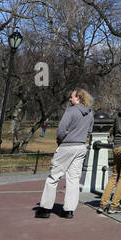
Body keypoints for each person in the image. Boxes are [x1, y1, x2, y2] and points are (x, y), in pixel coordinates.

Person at [36, 89, 94, 218]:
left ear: (78, 98)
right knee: (73, 179)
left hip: (67, 146)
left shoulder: (71, 111)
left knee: (53, 177)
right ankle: (69, 210)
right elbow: (89, 131)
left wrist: (61, 141)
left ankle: (45, 209)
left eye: (71, 97)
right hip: (80, 147)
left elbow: (61, 130)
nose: (70, 99)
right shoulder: (90, 113)